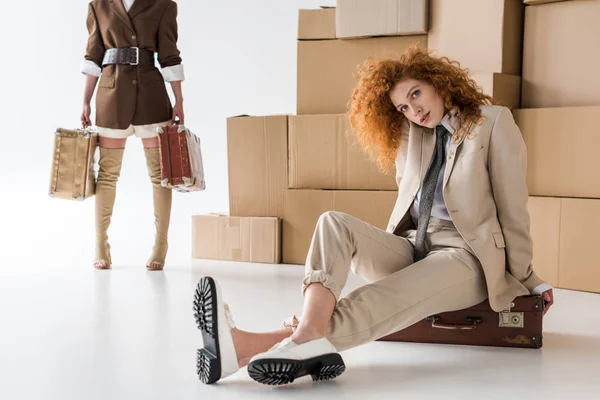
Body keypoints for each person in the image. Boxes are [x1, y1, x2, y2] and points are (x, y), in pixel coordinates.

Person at [192, 47, 555, 386]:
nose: (413, 111)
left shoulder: (492, 123)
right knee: (333, 222)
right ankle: (289, 342)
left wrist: (528, 278)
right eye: (402, 107)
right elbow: (409, 205)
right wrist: (389, 246)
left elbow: (513, 209)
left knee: (382, 297)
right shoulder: (413, 136)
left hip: (467, 257)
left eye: (415, 94)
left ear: (438, 82)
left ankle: (254, 345)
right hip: (417, 246)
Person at [80, 0, 185, 270]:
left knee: (160, 175)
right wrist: (85, 101)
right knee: (108, 174)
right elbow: (93, 55)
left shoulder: (163, 5)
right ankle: (100, 244)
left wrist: (179, 100)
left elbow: (170, 54)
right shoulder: (98, 5)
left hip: (150, 96)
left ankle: (160, 245)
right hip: (111, 95)